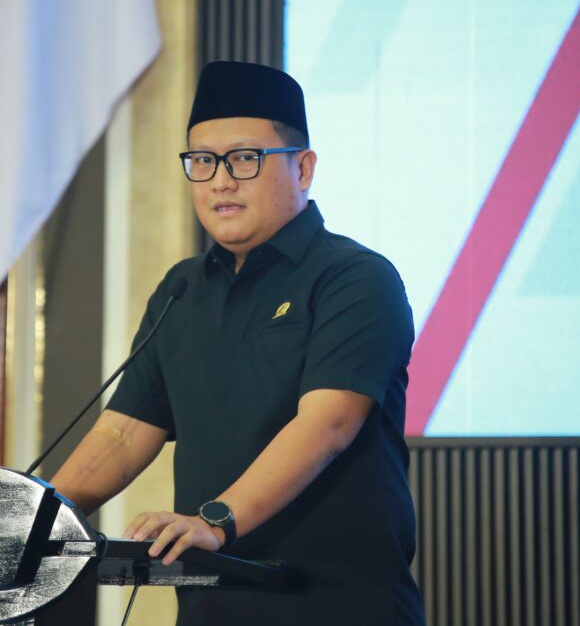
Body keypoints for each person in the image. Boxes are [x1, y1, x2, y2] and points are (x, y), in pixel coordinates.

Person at [51, 61, 424, 625]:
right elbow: (123, 434)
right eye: (202, 161)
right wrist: (31, 517)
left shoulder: (355, 279)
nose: (220, 181)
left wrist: (217, 521)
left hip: (336, 606)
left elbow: (327, 425)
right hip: (212, 609)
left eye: (244, 158)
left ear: (303, 168)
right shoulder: (182, 291)